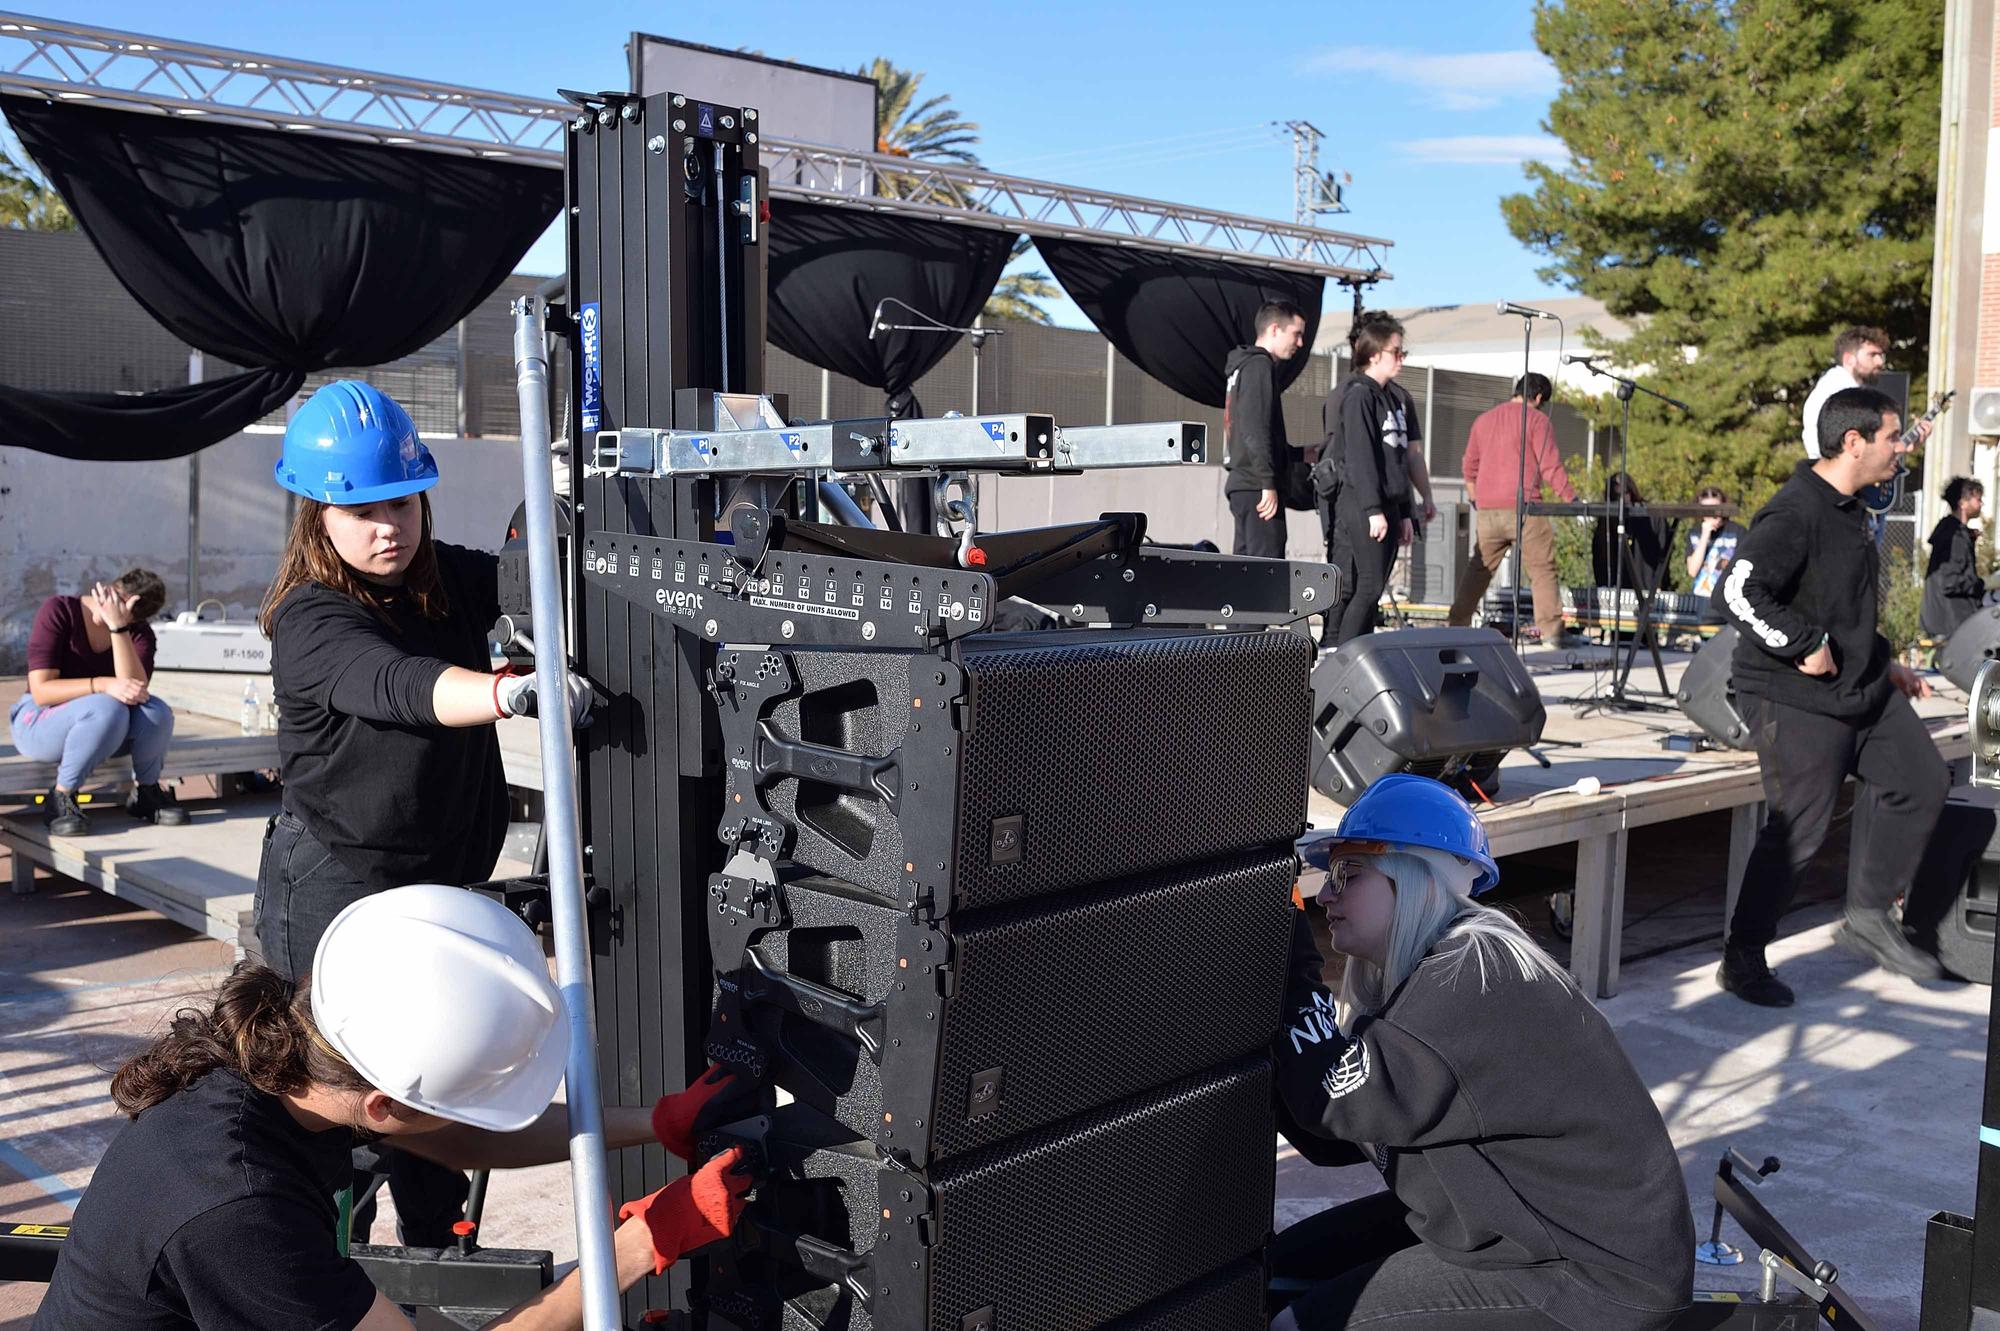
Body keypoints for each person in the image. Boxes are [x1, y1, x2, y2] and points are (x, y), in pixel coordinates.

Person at [31, 885, 758, 1331]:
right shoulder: (239, 1213)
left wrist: (651, 1122)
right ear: (382, 1104)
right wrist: (640, 1245)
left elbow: (456, 1143)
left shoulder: (283, 1056)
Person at [255, 379, 592, 1244]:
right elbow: (400, 686)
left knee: (435, 1098)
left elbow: (533, 578)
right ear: (316, 513)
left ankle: (439, 1259)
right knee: (349, 1115)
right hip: (337, 883)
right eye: (360, 508)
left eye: (402, 500)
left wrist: (576, 526)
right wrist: (509, 692)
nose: (388, 526)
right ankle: (332, 1279)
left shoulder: (442, 581)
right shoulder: (311, 617)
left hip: (432, 882)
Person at [1269, 776, 1693, 1331]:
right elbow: (1339, 1137)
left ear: (1413, 878)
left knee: (1296, 1326)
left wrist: (1287, 961)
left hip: (1589, 1274)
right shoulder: (1434, 970)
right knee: (1272, 1275)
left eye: (1348, 874)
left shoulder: (1471, 975)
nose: (1326, 895)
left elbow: (1337, 1101)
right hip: (1516, 1225)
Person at [1715, 386, 1950, 1005]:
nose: (1902, 448)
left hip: (1860, 684)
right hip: (1793, 694)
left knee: (1923, 779)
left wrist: (1884, 658)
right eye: (1893, 437)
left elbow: (1837, 600)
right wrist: (1800, 643)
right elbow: (1738, 593)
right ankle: (1741, 957)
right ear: (1854, 442)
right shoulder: (1795, 512)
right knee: (1799, 830)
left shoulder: (1850, 507)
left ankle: (1869, 916)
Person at [11, 568, 187, 836]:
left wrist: (118, 628)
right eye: (109, 597)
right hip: (38, 722)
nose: (104, 609)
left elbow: (136, 691)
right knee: (107, 706)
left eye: (119, 607)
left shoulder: (139, 634)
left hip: (104, 729)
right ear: (107, 588)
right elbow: (41, 692)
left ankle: (147, 793)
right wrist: (102, 684)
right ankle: (61, 798)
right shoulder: (59, 610)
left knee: (156, 711)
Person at [1445, 373, 1579, 647]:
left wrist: (1477, 501)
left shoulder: (1484, 420)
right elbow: (1550, 466)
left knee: (1478, 569)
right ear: (1539, 397)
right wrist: (1572, 499)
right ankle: (1552, 632)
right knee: (1542, 569)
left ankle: (1456, 625)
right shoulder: (1537, 420)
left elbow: (1469, 466)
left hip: (1488, 510)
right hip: (1526, 509)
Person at [1321, 314, 1417, 645]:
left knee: (1373, 590)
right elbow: (1361, 458)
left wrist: (1405, 511)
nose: (1401, 359)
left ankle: (1364, 652)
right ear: (1374, 353)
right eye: (1396, 352)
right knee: (1368, 585)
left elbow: (1398, 459)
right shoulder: (1360, 395)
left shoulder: (1393, 397)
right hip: (1363, 504)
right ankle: (1344, 655)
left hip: (1390, 504)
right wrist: (1374, 509)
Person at [1222, 300, 1310, 557]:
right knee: (1267, 575)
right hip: (1256, 488)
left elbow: (1250, 430)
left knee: (1246, 573)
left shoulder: (1243, 367)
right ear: (1274, 329)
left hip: (1245, 484)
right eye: (1297, 333)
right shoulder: (1259, 366)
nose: (1300, 343)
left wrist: (1297, 454)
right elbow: (1254, 429)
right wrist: (1267, 483)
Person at [1799, 325, 1932, 460]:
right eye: (1872, 355)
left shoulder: (1843, 387)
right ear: (1849, 359)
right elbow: (1848, 455)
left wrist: (1900, 447)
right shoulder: (1839, 392)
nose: (1880, 362)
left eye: (1881, 355)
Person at [1923, 475, 1990, 640]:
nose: (1981, 504)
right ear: (1963, 503)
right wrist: (1984, 584)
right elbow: (1950, 581)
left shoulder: (1952, 532)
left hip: (1944, 619)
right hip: (1953, 621)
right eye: (1978, 499)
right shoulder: (1955, 537)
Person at [1684, 486, 1746, 626]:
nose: (1712, 514)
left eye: (1715, 508)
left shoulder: (1738, 532)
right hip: (1701, 599)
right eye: (1706, 509)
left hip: (1728, 601)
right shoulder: (1695, 533)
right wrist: (1705, 534)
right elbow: (1692, 571)